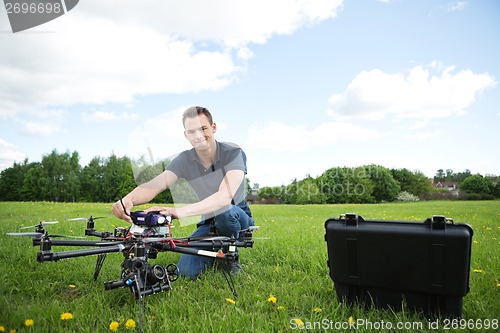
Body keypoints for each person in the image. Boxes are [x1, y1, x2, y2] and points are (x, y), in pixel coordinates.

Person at [112, 106, 254, 279]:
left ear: (213, 127)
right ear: (186, 135)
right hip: (208, 224)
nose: (199, 135)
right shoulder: (184, 160)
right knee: (186, 273)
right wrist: (128, 199)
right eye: (192, 131)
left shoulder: (234, 153)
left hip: (236, 219)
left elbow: (224, 197)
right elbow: (155, 185)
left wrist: (179, 212)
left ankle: (231, 253)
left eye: (203, 129)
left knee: (226, 212)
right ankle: (214, 247)